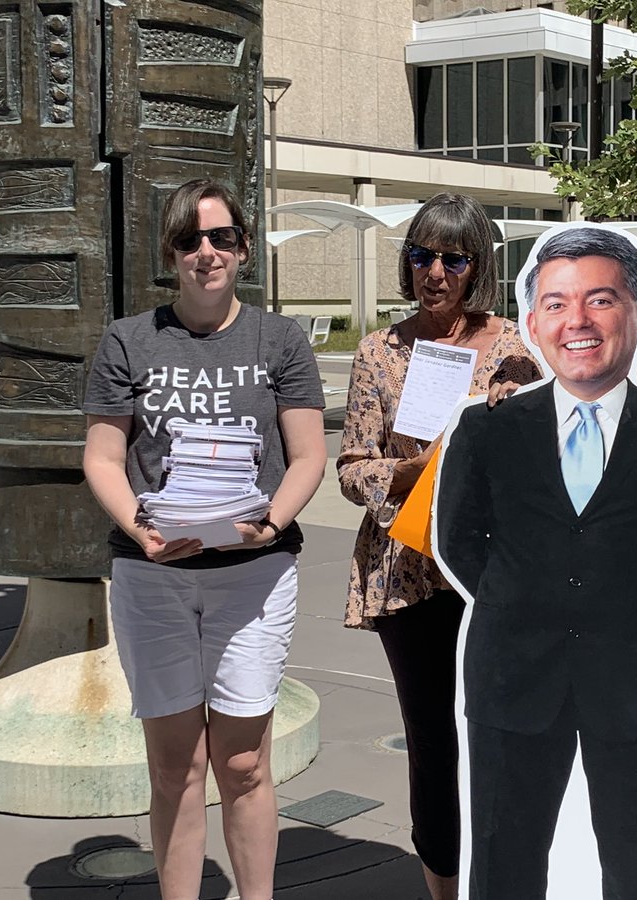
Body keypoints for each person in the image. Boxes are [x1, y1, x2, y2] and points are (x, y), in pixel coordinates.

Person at [434, 224, 637, 900]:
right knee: (501, 870)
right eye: (555, 303)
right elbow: (460, 544)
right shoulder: (484, 430)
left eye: (599, 300)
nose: (576, 320)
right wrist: (527, 600)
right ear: (532, 323)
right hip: (512, 680)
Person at [82, 178, 327, 900]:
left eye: (221, 237)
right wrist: (143, 533)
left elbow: (308, 454)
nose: (207, 252)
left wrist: (273, 520)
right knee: (174, 766)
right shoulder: (129, 339)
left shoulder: (279, 338)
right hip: (151, 578)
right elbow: (102, 457)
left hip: (253, 579)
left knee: (245, 765)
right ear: (171, 253)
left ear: (244, 248)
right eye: (190, 240)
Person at [337, 192, 540, 900]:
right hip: (409, 574)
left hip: (497, 574)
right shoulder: (379, 351)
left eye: (453, 258)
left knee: (504, 736)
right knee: (433, 742)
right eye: (422, 255)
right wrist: (407, 472)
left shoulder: (516, 350)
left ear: (478, 266)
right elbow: (352, 470)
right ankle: (444, 890)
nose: (435, 272)